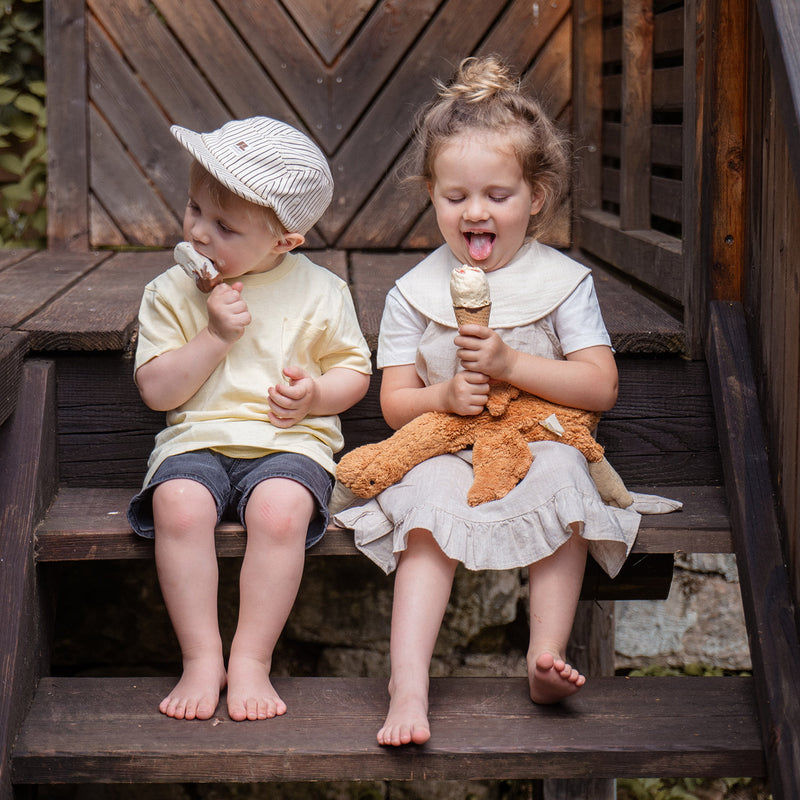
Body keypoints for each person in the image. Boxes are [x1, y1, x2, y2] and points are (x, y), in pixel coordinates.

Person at [335, 56, 642, 746]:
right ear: (432, 196)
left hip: (542, 443)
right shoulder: (413, 292)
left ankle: (545, 653)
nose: (475, 212)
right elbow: (394, 407)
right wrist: (443, 393)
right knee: (424, 515)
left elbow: (600, 387)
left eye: (498, 195)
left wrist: (513, 363)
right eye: (455, 197)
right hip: (449, 443)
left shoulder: (562, 283)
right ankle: (407, 681)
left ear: (535, 197)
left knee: (565, 485)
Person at [128, 116, 372, 723]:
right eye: (194, 211)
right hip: (198, 440)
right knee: (179, 505)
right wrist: (213, 336)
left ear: (284, 242)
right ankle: (201, 655)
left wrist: (316, 395)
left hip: (288, 443)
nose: (200, 233)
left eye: (226, 226)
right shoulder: (170, 292)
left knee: (278, 511)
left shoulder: (322, 292)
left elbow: (356, 373)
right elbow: (157, 391)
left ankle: (254, 657)